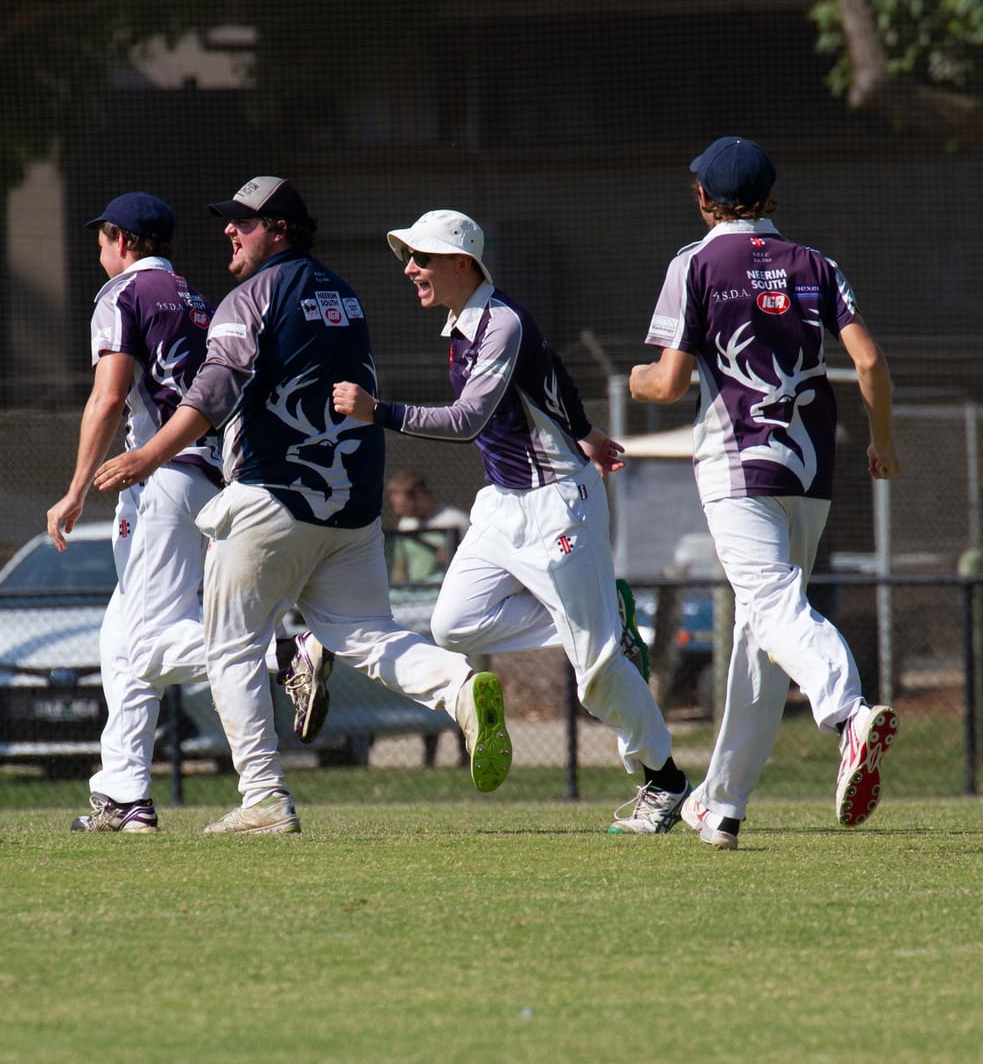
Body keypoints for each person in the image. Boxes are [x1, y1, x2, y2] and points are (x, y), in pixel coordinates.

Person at [92, 175, 512, 835]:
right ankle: (459, 684)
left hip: (272, 497)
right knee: (371, 635)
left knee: (228, 645)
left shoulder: (250, 296)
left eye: (245, 221)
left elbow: (208, 396)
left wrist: (145, 458)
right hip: (353, 508)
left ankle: (263, 795)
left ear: (280, 229)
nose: (230, 229)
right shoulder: (344, 295)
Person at [332, 209, 689, 835]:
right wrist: (585, 432)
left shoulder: (500, 322)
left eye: (423, 257)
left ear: (463, 264)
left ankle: (665, 783)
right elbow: (555, 373)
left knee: (597, 678)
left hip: (558, 506)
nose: (410, 268)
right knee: (453, 624)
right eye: (408, 257)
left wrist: (376, 411)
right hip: (502, 503)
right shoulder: (467, 326)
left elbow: (467, 419)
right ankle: (602, 615)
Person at [629, 136, 900, 851]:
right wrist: (883, 442)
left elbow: (670, 382)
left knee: (775, 609)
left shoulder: (696, 263)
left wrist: (635, 380)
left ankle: (849, 714)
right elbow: (869, 361)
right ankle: (721, 806)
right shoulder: (817, 265)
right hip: (810, 469)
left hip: (736, 463)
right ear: (771, 195)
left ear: (704, 198)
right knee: (758, 633)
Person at [46, 192, 221, 834]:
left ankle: (279, 648)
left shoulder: (123, 295)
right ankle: (124, 797)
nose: (99, 249)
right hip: (205, 473)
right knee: (121, 638)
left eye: (100, 238)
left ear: (121, 238)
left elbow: (109, 396)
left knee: (147, 643)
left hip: (161, 478)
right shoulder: (198, 298)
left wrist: (74, 490)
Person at [385, 469, 469, 582]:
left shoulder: (457, 521)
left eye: (403, 505)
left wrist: (452, 558)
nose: (397, 512)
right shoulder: (405, 525)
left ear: (420, 495)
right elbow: (400, 567)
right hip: (415, 595)